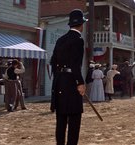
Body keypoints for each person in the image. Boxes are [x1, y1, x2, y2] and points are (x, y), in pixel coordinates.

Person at [50, 9, 87, 145]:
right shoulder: (78, 40)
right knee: (74, 120)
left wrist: (59, 77)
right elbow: (75, 64)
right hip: (72, 83)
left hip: (59, 83)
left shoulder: (61, 40)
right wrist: (80, 82)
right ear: (81, 24)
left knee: (61, 120)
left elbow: (53, 62)